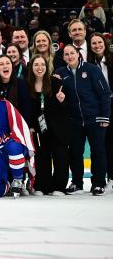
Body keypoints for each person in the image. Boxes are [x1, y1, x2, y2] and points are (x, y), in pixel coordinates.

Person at [56, 44, 110, 195]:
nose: (69, 56)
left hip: (95, 119)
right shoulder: (60, 73)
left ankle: (99, 183)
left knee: (98, 151)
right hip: (75, 121)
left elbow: (104, 93)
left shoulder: (91, 69)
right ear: (63, 57)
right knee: (75, 152)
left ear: (78, 54)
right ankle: (77, 182)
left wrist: (104, 116)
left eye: (72, 53)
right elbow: (57, 95)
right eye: (66, 54)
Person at [27, 55, 70, 195]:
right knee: (41, 157)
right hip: (39, 128)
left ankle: (59, 187)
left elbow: (67, 107)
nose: (40, 68)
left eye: (42, 65)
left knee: (60, 156)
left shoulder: (56, 82)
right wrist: (31, 126)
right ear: (31, 67)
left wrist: (62, 100)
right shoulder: (27, 85)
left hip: (57, 127)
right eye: (36, 65)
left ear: (47, 67)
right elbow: (27, 109)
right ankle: (42, 186)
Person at [87, 33, 113, 186]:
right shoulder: (89, 64)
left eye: (99, 42)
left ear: (105, 43)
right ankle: (100, 178)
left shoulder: (111, 61)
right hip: (97, 107)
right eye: (94, 43)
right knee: (100, 144)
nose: (97, 45)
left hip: (111, 103)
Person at [0, 55, 31, 125]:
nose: (5, 66)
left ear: (12, 66)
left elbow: (27, 108)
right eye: (1, 64)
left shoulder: (21, 84)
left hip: (18, 125)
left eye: (8, 63)